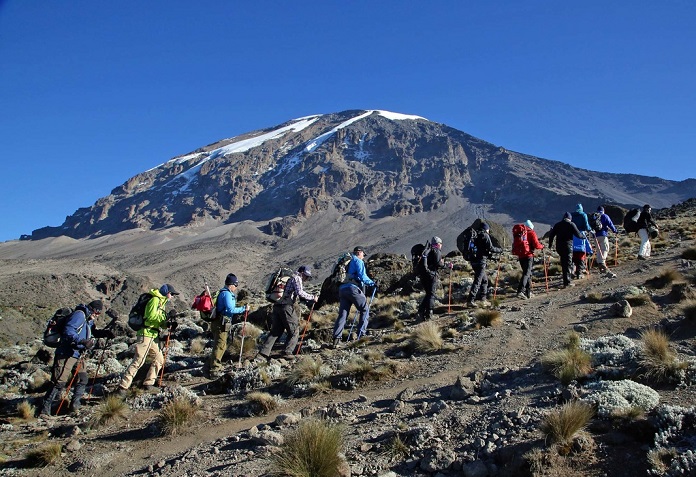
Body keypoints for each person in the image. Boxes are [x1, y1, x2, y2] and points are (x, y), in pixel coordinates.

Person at [40, 300, 112, 418]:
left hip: (79, 354)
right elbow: (68, 331)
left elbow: (92, 332)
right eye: (96, 312)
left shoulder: (88, 319)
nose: (97, 315)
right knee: (59, 381)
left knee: (82, 379)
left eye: (99, 313)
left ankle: (75, 406)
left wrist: (105, 333)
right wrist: (81, 341)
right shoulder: (79, 315)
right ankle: (44, 410)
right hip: (67, 353)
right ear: (92, 309)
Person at [116, 284, 179, 394]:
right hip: (146, 333)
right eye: (172, 294)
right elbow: (150, 316)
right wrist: (166, 317)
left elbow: (157, 321)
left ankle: (149, 383)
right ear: (166, 292)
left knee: (159, 359)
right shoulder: (155, 300)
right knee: (138, 360)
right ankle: (122, 387)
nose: (172, 296)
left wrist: (167, 324)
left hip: (153, 334)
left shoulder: (161, 302)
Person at [258, 266, 317, 360]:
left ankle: (262, 354)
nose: (306, 278)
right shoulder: (297, 277)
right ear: (301, 272)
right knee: (294, 330)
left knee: (276, 331)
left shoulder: (290, 277)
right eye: (306, 276)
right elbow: (300, 292)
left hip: (277, 305)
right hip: (286, 306)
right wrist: (312, 297)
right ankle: (287, 352)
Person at [204, 274, 248, 378]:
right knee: (220, 345)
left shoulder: (223, 292)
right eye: (236, 285)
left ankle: (208, 366)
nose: (236, 288)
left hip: (220, 322)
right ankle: (214, 369)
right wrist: (243, 309)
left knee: (221, 345)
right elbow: (230, 309)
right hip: (221, 323)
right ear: (231, 285)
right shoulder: (227, 294)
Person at [332, 246, 376, 346]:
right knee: (364, 309)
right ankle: (361, 334)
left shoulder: (346, 262)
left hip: (342, 289)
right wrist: (372, 283)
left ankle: (336, 339)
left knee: (343, 314)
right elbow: (362, 276)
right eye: (363, 254)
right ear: (359, 252)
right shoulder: (358, 261)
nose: (363, 257)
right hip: (353, 288)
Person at [466, 223, 503, 308]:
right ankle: (470, 300)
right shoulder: (485, 235)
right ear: (486, 229)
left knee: (484, 280)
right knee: (478, 280)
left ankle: (483, 299)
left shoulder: (475, 236)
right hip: (481, 261)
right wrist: (500, 250)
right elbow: (490, 248)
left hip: (473, 261)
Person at [417, 236, 452, 320]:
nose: (441, 246)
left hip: (423, 274)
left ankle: (421, 312)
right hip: (431, 275)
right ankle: (429, 314)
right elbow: (438, 264)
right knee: (431, 294)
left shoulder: (427, 251)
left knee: (428, 294)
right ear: (438, 244)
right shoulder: (436, 251)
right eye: (440, 244)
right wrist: (447, 265)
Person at [548, 212, 585, 288]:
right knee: (567, 263)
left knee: (564, 263)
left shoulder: (557, 225)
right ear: (570, 218)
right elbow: (578, 234)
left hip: (559, 247)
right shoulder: (571, 224)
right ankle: (567, 282)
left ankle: (566, 279)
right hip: (568, 246)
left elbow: (551, 235)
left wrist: (550, 244)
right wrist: (583, 237)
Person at [514, 220, 544, 300]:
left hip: (521, 256)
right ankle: (520, 291)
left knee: (527, 273)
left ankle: (528, 293)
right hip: (528, 255)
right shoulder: (531, 233)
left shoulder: (519, 233)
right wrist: (542, 246)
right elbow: (536, 245)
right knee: (527, 273)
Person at [594, 206, 618, 276]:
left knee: (599, 250)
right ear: (603, 210)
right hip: (603, 235)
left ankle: (599, 263)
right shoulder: (604, 216)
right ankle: (602, 263)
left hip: (595, 236)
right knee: (605, 249)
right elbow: (610, 224)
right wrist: (615, 231)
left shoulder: (594, 217)